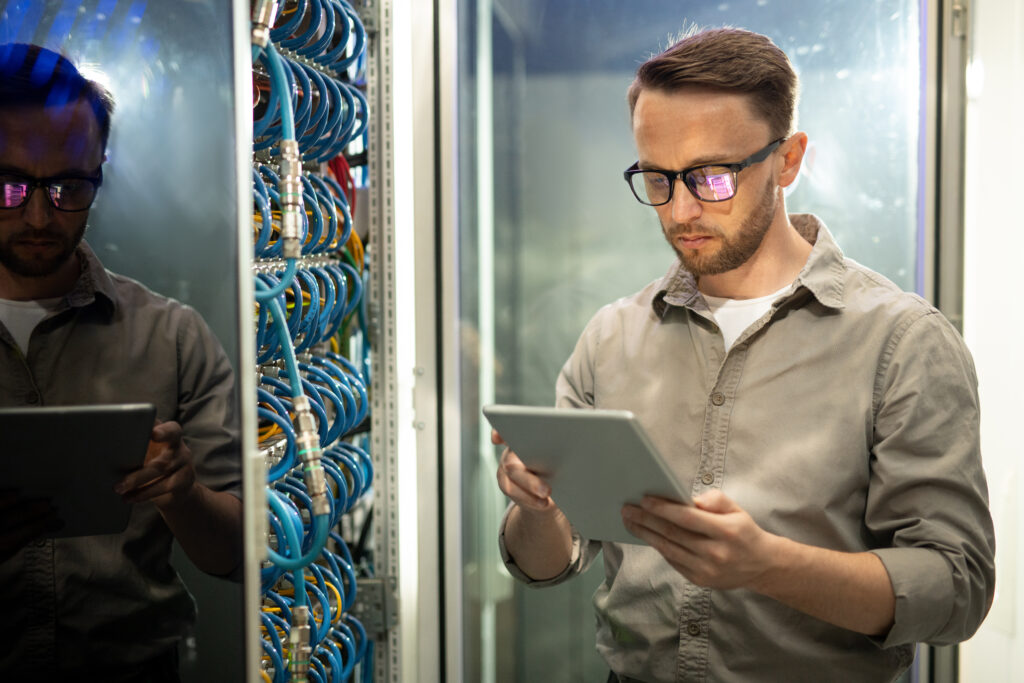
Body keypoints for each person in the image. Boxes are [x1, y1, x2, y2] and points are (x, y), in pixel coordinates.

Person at [495, 27, 995, 683]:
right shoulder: (611, 336)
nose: (680, 210)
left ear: (788, 160)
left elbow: (956, 587)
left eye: (711, 177)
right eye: (657, 178)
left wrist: (768, 564)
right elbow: (548, 562)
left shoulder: (901, 342)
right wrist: (538, 510)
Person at [0, 43, 242, 681]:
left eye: (68, 187)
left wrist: (184, 495)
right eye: (9, 183)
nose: (37, 214)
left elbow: (238, 554)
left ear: (100, 172)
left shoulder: (172, 338)